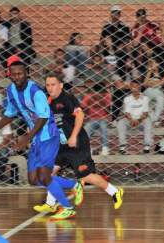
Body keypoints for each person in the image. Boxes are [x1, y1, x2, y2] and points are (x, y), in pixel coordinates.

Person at [0, 61, 76, 220]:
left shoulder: (36, 91)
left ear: (27, 73)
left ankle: (68, 207)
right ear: (9, 74)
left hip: (49, 136)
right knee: (33, 179)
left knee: (44, 176)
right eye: (13, 74)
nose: (17, 77)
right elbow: (10, 113)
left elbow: (43, 117)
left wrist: (26, 138)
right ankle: (74, 185)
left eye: (20, 73)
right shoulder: (10, 91)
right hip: (36, 137)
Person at [33, 73, 123, 214]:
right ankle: (51, 203)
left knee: (86, 176)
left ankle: (115, 191)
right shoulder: (49, 102)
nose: (50, 87)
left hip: (77, 144)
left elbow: (80, 115)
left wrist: (74, 136)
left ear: (61, 85)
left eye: (53, 84)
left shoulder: (67, 98)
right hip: (61, 145)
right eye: (48, 85)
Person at [117, 80, 153, 154]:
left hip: (141, 120)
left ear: (139, 87)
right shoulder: (127, 98)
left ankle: (147, 146)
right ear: (130, 88)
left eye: (136, 86)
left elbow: (145, 113)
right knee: (121, 122)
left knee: (148, 121)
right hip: (130, 120)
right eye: (133, 86)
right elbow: (127, 113)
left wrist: (138, 120)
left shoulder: (145, 98)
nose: (135, 88)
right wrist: (131, 120)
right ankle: (122, 147)